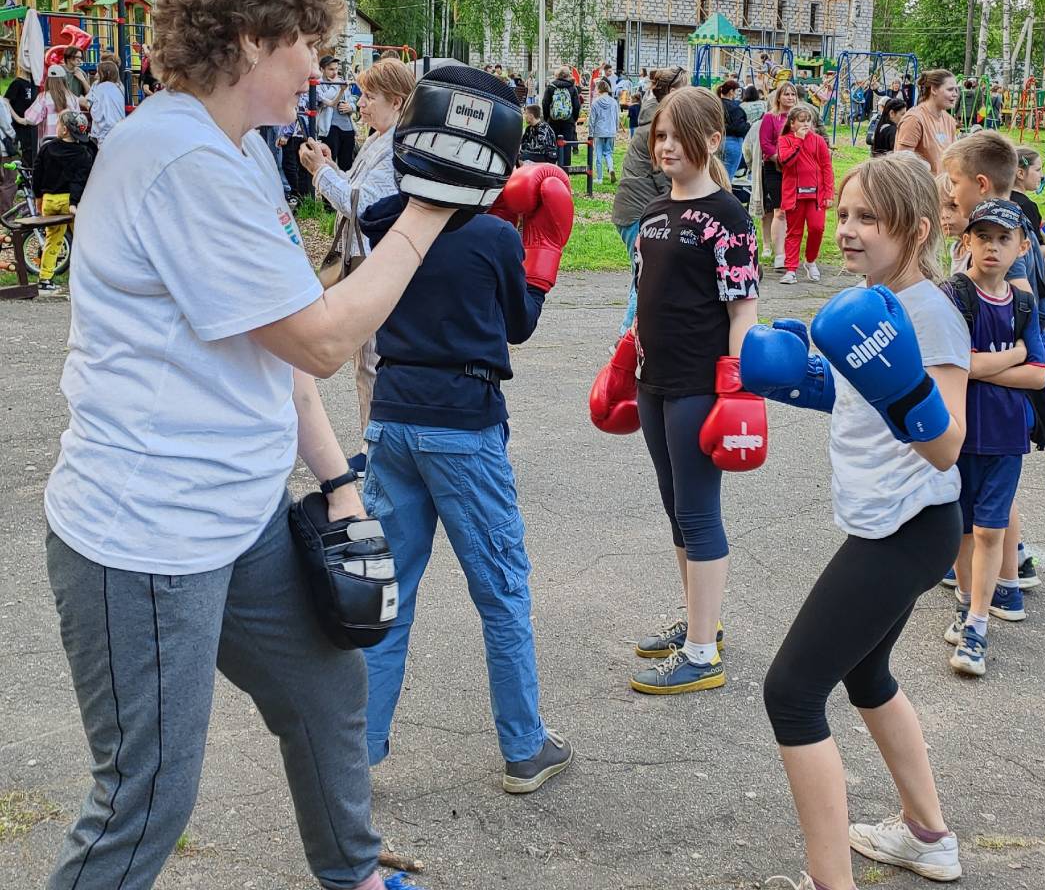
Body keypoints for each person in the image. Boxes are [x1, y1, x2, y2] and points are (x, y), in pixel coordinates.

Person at [40, 0, 460, 890]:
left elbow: (277, 345)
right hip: (149, 535)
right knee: (145, 796)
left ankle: (355, 876)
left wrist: (339, 482)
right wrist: (431, 210)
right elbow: (321, 339)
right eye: (305, 43)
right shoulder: (179, 160)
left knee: (324, 690)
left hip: (236, 517)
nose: (319, 65)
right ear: (246, 39)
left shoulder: (233, 152)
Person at [741, 153, 969, 889]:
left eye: (868, 218)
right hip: (888, 523)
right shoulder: (866, 305)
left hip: (912, 528)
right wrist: (800, 379)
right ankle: (927, 836)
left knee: (791, 692)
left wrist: (899, 388)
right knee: (865, 672)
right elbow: (858, 406)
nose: (846, 229)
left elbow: (947, 444)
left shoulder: (929, 314)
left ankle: (828, 881)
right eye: (843, 214)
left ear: (918, 229)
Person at [359, 124, 575, 792]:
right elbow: (519, 324)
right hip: (463, 427)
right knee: (502, 591)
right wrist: (540, 255)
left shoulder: (386, 223)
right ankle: (524, 747)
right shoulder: (492, 237)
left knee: (387, 593)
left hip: (391, 418)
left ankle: (355, 756)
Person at [594, 87, 762, 694]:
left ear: (712, 140)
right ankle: (701, 623)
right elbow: (643, 301)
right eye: (659, 136)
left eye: (678, 137)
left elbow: (743, 310)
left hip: (699, 386)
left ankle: (701, 655)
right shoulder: (655, 215)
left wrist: (736, 388)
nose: (665, 147)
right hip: (652, 382)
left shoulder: (728, 217)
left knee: (696, 510)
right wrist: (626, 359)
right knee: (675, 509)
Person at [943, 130, 1045, 614]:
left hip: (1005, 417)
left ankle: (1006, 579)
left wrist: (983, 366)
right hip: (982, 414)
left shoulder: (1012, 286)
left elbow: (1037, 369)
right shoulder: (968, 281)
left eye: (954, 183)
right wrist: (1011, 357)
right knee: (985, 506)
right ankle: (998, 577)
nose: (951, 192)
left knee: (996, 505)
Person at [300, 57, 414, 476]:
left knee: (371, 358)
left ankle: (377, 449)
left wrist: (319, 173)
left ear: (396, 101)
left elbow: (362, 204)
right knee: (366, 358)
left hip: (375, 260)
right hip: (366, 258)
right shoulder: (380, 140)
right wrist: (330, 167)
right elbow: (354, 184)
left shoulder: (397, 146)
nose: (361, 104)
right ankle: (374, 444)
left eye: (369, 96)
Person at [610, 66, 684, 335]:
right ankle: (626, 336)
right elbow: (661, 173)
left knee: (645, 274)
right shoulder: (657, 126)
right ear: (673, 91)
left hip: (635, 208)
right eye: (684, 87)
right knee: (646, 276)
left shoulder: (654, 119)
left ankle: (634, 334)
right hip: (638, 210)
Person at [31, 109, 94, 294]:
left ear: (64, 130)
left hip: (49, 201)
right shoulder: (83, 154)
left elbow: (37, 174)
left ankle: (45, 278)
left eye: (58, 124)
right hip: (69, 202)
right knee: (82, 239)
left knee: (53, 239)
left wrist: (38, 197)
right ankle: (86, 277)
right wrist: (74, 202)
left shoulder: (47, 148)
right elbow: (80, 181)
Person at [777, 104, 833, 285]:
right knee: (794, 232)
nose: (806, 124)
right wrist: (798, 141)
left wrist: (829, 193)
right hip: (794, 195)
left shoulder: (818, 140)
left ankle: (810, 261)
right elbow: (786, 161)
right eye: (801, 120)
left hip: (816, 195)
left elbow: (826, 167)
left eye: (808, 120)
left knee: (817, 228)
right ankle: (791, 269)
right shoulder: (785, 140)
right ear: (792, 123)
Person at [759, 82, 800, 271]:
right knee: (780, 210)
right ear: (778, 97)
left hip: (797, 169)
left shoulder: (800, 117)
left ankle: (792, 252)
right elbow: (765, 143)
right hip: (775, 168)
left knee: (795, 211)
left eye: (792, 94)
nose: (790, 97)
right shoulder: (770, 117)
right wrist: (780, 159)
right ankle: (780, 254)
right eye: (786, 94)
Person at [894, 69, 958, 174]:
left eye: (956, 90)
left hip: (943, 184)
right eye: (950, 89)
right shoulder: (914, 119)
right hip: (920, 184)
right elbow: (902, 163)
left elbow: (953, 156)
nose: (955, 94)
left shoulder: (949, 120)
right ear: (934, 90)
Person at [316, 54, 357, 172]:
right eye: (331, 69)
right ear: (322, 69)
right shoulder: (319, 84)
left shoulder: (341, 82)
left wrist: (351, 107)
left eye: (336, 69)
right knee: (330, 162)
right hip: (330, 128)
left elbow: (352, 100)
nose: (334, 72)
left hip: (347, 127)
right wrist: (335, 84)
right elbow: (325, 101)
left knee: (347, 163)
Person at [26, 65, 80, 148]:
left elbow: (31, 119)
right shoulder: (73, 98)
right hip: (69, 144)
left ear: (48, 80)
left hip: (49, 144)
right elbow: (78, 122)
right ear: (64, 80)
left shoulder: (43, 98)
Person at [543, 65, 582, 170]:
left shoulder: (551, 87)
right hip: (568, 122)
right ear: (567, 75)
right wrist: (573, 119)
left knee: (552, 146)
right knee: (566, 147)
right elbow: (577, 106)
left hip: (553, 121)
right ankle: (565, 172)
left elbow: (545, 103)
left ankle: (553, 171)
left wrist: (547, 119)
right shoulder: (572, 88)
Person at [87, 58, 127, 145]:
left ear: (106, 73)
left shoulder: (102, 87)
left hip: (104, 133)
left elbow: (97, 114)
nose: (96, 76)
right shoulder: (119, 86)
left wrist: (88, 106)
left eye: (98, 72)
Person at [4, 64, 37, 168]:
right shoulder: (17, 82)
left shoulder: (35, 83)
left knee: (31, 152)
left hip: (31, 125)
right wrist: (18, 119)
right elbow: (5, 101)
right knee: (24, 153)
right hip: (20, 126)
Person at [717, 77, 749, 180]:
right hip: (732, 142)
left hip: (715, 142)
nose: (737, 94)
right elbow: (739, 128)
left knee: (715, 176)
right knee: (727, 178)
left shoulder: (714, 105)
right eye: (736, 91)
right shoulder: (735, 108)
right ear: (731, 91)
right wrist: (748, 125)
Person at [589, 76, 619, 183]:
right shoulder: (614, 102)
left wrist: (590, 134)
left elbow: (592, 120)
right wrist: (616, 130)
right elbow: (617, 117)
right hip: (611, 131)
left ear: (599, 89)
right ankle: (610, 169)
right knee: (608, 153)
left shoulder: (595, 102)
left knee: (598, 155)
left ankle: (599, 178)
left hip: (599, 131)